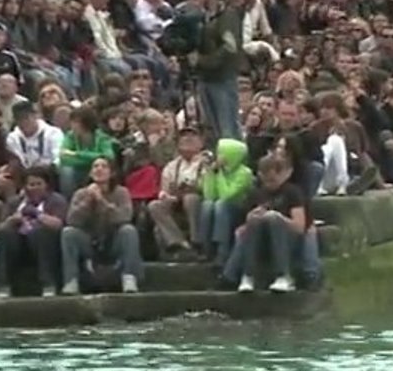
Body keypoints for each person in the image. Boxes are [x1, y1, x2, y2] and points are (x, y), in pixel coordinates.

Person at [61, 157, 143, 294]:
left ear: (112, 173)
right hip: (89, 242)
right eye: (95, 166)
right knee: (68, 232)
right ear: (90, 173)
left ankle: (129, 277)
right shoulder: (80, 193)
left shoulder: (121, 192)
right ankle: (71, 280)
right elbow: (72, 220)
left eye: (104, 166)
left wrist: (102, 201)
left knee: (129, 231)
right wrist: (88, 200)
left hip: (113, 241)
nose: (99, 169)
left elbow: (124, 217)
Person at [234, 152, 309, 293]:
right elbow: (241, 230)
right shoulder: (255, 194)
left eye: (274, 177)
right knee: (255, 221)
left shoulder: (293, 192)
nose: (270, 180)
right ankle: (248, 275)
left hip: (287, 240)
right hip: (261, 239)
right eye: (266, 177)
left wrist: (278, 217)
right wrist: (250, 218)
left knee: (273, 219)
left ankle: (283, 275)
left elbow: (299, 227)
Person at [0, 166, 68, 298]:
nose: (35, 188)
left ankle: (48, 284)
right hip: (19, 241)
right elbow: (0, 228)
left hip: (46, 242)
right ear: (25, 187)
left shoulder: (56, 200)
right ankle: (4, 285)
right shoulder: (15, 202)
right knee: (7, 234)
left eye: (39, 184)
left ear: (47, 185)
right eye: (31, 184)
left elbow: (58, 224)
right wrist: (13, 220)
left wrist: (38, 215)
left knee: (40, 232)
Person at [193, 0, 243, 142]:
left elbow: (230, 47)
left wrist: (203, 61)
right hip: (206, 78)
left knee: (227, 127)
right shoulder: (206, 16)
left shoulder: (227, 15)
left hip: (222, 79)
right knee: (213, 128)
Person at [147, 126, 207, 258]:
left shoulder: (206, 162)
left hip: (199, 203)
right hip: (175, 203)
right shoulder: (172, 166)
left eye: (192, 136)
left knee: (190, 199)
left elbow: (206, 187)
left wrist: (184, 192)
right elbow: (164, 189)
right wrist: (166, 196)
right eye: (184, 136)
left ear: (201, 142)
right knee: (154, 206)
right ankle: (179, 242)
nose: (187, 138)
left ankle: (197, 241)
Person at [199, 137, 254, 267]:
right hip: (220, 209)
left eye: (221, 153)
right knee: (207, 205)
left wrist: (219, 174)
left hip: (237, 209)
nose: (218, 156)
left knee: (220, 205)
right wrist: (210, 173)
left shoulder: (245, 173)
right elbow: (209, 195)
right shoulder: (217, 170)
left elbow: (226, 195)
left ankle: (222, 251)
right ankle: (205, 248)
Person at [57, 105, 118, 199]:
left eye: (76, 122)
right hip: (78, 172)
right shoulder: (70, 136)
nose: (72, 125)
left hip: (98, 171)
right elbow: (64, 157)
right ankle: (69, 201)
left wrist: (77, 154)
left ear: (86, 123)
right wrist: (93, 158)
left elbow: (108, 157)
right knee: (66, 170)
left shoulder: (102, 138)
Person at [5, 100, 64, 170]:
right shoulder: (12, 138)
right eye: (19, 119)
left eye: (26, 118)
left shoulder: (53, 133)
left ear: (35, 116)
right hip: (24, 174)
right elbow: (16, 161)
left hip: (49, 172)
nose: (23, 122)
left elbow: (58, 158)